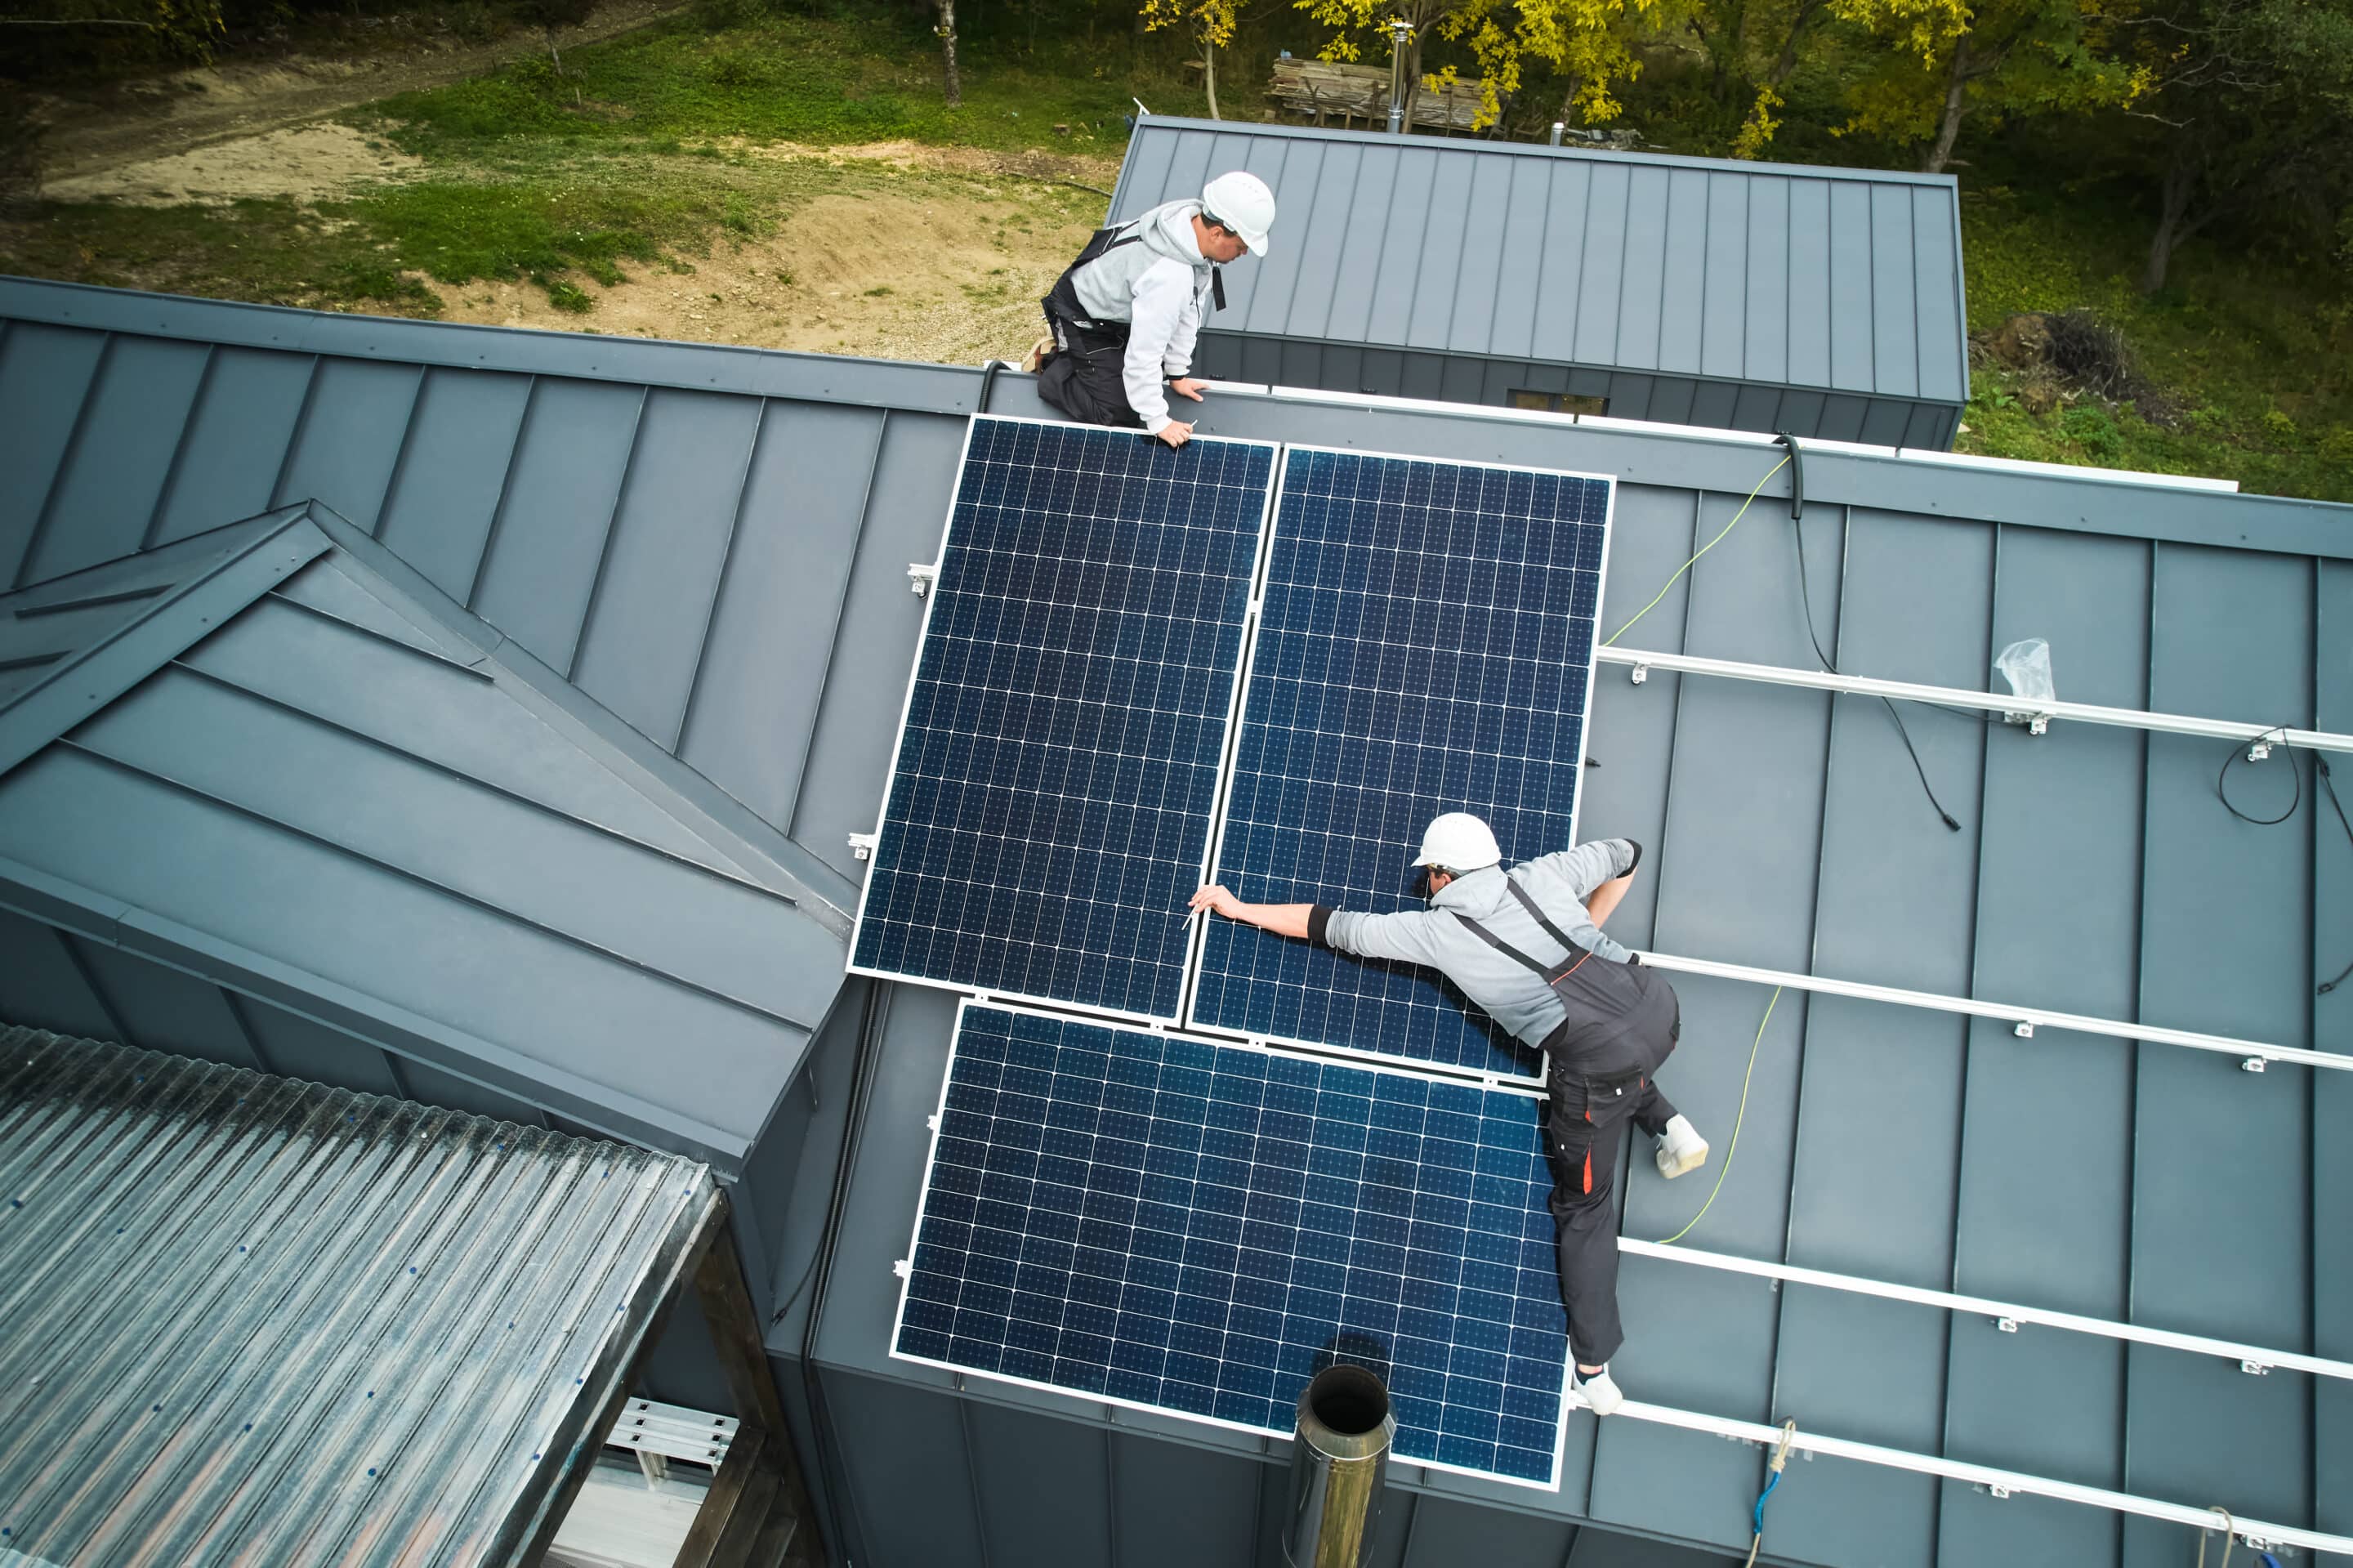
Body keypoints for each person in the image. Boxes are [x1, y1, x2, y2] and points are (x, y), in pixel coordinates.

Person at [1188, 811, 1708, 1417]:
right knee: (1618, 1049)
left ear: (1440, 874)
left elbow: (1329, 926)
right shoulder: (1543, 873)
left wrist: (1238, 904)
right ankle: (1670, 1122)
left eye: (1427, 875)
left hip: (1600, 1062)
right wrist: (1588, 933)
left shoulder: (1436, 934)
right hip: (1659, 1007)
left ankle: (1593, 1369)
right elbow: (1631, 851)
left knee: (1583, 1204)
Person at [1027, 170, 1276, 449]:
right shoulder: (1170, 276)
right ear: (1217, 233)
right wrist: (1159, 421)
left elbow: (1190, 308)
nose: (1243, 254)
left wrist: (1177, 373)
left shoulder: (1187, 227)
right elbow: (1144, 352)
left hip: (1120, 309)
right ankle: (1053, 366)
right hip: (1082, 316)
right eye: (1241, 247)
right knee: (1120, 413)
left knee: (1149, 381)